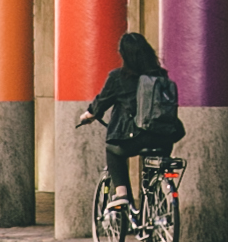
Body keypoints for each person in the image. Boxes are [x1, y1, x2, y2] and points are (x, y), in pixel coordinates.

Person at [75, 32, 184, 209]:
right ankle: (155, 204)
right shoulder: (161, 75)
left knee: (113, 151)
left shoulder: (119, 77)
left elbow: (101, 102)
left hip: (135, 136)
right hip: (164, 136)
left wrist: (89, 114)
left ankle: (122, 194)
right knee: (153, 168)